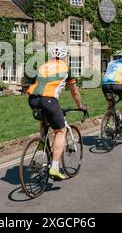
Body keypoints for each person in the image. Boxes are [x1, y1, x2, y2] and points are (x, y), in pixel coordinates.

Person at [27, 44, 86, 180]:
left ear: (53, 55)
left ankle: (43, 141)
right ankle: (54, 167)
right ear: (65, 56)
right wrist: (80, 105)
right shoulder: (65, 68)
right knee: (60, 131)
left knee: (45, 118)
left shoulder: (44, 65)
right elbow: (74, 91)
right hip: (48, 100)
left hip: (32, 99)